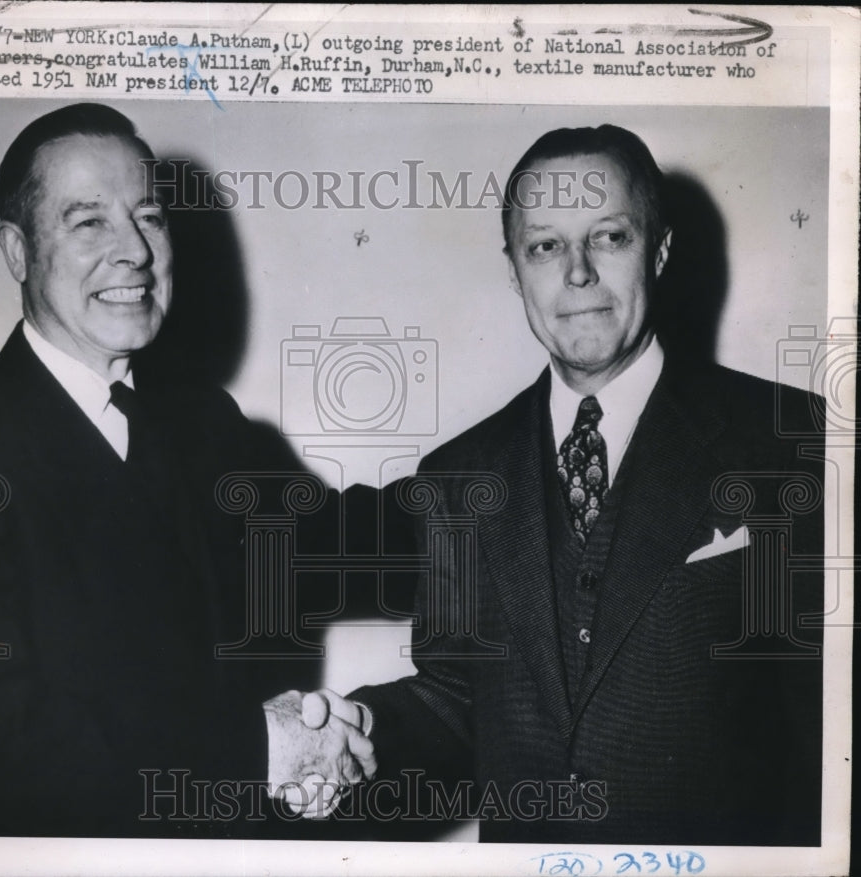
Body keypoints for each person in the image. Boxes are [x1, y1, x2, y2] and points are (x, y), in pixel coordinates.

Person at [272, 124, 825, 845]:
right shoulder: (456, 479)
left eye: (609, 237)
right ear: (514, 270)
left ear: (659, 249)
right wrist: (367, 734)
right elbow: (455, 704)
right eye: (545, 246)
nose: (578, 273)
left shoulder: (796, 442)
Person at [0, 103, 362, 838]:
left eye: (149, 215)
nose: (135, 251)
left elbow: (345, 545)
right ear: (17, 251)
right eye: (89, 223)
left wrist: (528, 473)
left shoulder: (206, 421)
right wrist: (258, 750)